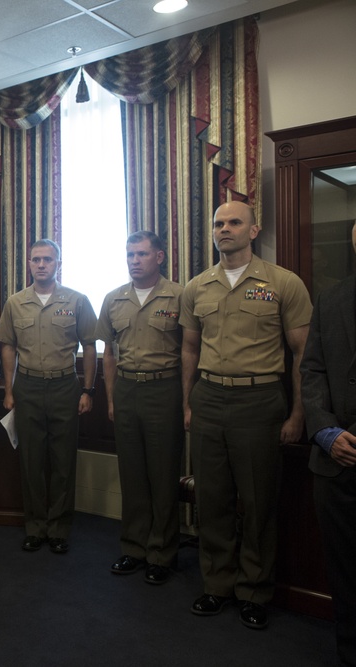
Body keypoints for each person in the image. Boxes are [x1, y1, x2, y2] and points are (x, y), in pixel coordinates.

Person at [181, 200, 311, 630]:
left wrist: (297, 414)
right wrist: (187, 403)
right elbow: (189, 350)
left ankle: (254, 590)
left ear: (253, 231)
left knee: (258, 502)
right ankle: (217, 585)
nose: (225, 229)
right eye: (218, 223)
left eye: (235, 222)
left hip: (260, 403)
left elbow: (301, 354)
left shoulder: (282, 283)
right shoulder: (198, 286)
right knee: (212, 499)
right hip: (210, 399)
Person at [0, 239, 97, 554]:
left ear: (58, 264)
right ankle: (35, 526)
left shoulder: (77, 301)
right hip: (27, 387)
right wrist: (9, 390)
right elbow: (8, 346)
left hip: (65, 386)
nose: (41, 265)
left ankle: (59, 528)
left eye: (47, 260)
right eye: (36, 260)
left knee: (63, 460)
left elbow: (90, 345)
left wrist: (88, 389)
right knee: (32, 460)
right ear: (29, 264)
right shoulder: (16, 302)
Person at [96, 231, 183, 584]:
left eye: (142, 254)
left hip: (165, 387)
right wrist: (113, 398)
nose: (135, 260)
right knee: (131, 475)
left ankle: (161, 553)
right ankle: (133, 548)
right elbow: (109, 353)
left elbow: (192, 349)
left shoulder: (179, 296)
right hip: (128, 389)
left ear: (159, 257)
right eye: (130, 255)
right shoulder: (114, 299)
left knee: (162, 476)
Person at [300, 222, 356, 665]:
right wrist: (325, 430)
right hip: (336, 460)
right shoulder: (331, 298)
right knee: (345, 571)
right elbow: (312, 370)